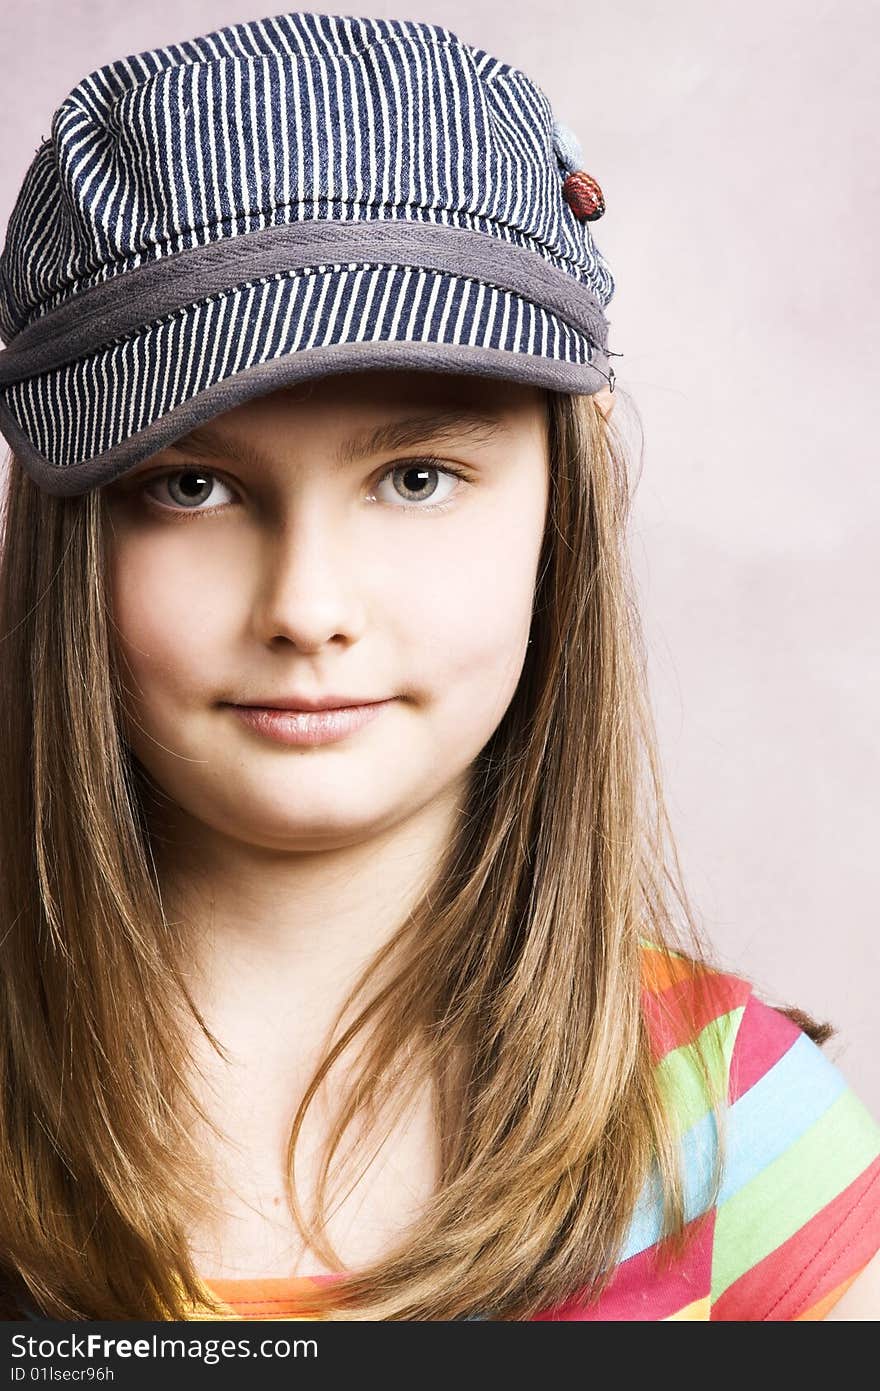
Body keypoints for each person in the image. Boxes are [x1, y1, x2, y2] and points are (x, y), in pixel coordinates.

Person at [0, 10, 877, 1323]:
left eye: (415, 478)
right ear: (70, 530)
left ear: (557, 508)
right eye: (190, 486)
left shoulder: (742, 1146)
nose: (307, 606)